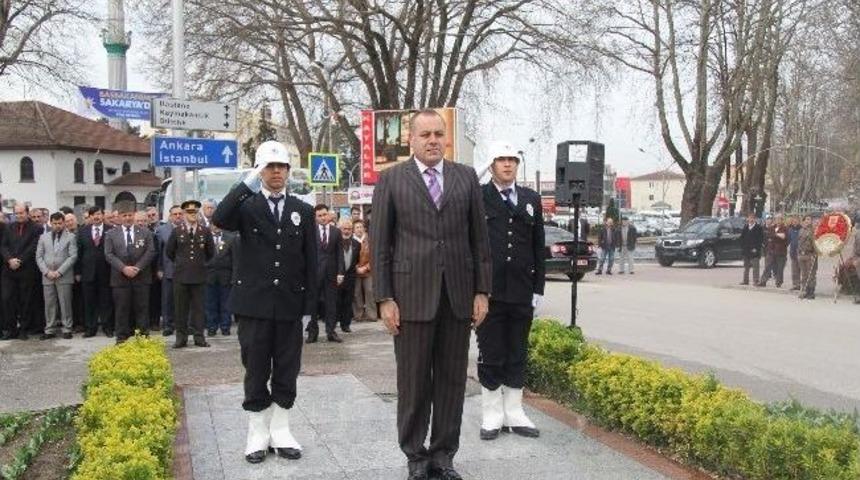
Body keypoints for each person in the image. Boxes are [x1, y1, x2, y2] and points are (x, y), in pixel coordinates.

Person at [371, 109, 491, 480]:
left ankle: (443, 455)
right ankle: (415, 456)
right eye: (425, 135)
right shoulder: (391, 180)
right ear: (412, 140)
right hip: (410, 299)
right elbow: (380, 245)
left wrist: (482, 291)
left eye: (439, 133)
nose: (433, 140)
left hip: (457, 297)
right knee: (413, 382)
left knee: (452, 381)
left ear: (446, 138)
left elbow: (479, 242)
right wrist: (384, 297)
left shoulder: (466, 177)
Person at [212, 140, 316, 464]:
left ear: (288, 171)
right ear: (260, 170)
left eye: (281, 167)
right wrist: (246, 181)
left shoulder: (303, 210)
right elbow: (219, 217)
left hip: (289, 306)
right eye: (269, 167)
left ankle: (281, 430)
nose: (275, 172)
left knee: (287, 369)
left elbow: (311, 264)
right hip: (253, 306)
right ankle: (257, 432)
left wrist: (309, 311)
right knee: (256, 369)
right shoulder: (246, 207)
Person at [477, 141, 544, 442]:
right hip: (488, 291)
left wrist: (538, 287)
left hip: (521, 289)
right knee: (491, 353)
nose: (507, 165)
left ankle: (515, 411)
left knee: (517, 351)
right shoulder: (479, 197)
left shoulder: (531, 199)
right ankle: (492, 414)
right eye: (501, 159)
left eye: (512, 160)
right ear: (491, 164)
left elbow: (537, 245)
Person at [104, 201, 156, 343]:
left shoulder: (145, 232)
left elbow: (150, 251)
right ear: (119, 217)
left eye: (130, 215)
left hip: (141, 277)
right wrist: (123, 268)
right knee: (122, 309)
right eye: (124, 215)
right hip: (120, 279)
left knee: (142, 309)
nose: (128, 218)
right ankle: (121, 338)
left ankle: (143, 337)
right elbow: (108, 254)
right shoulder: (111, 234)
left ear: (134, 215)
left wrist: (138, 267)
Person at [166, 200, 215, 348]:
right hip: (181, 276)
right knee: (181, 309)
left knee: (199, 309)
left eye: (194, 212)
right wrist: (182, 263)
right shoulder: (177, 231)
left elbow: (211, 252)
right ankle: (181, 338)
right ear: (184, 214)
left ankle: (199, 337)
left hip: (199, 276)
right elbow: (170, 252)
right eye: (189, 212)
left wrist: (200, 264)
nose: (192, 215)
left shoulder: (205, 231)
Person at [1, 204, 41, 340]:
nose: (19, 215)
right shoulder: (8, 227)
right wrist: (10, 259)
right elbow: (3, 245)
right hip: (9, 270)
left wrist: (20, 260)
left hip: (26, 269)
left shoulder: (36, 228)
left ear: (27, 213)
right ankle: (10, 330)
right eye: (16, 213)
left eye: (21, 213)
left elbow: (33, 247)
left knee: (25, 300)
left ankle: (23, 330)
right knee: (7, 299)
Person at [35, 212, 77, 339]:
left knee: (65, 303)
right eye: (55, 223)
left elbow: (73, 256)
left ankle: (67, 328)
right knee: (49, 304)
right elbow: (39, 256)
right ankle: (49, 329)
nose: (57, 226)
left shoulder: (71, 237)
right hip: (47, 276)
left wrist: (59, 272)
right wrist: (47, 272)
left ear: (64, 223)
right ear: (50, 223)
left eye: (60, 223)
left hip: (64, 275)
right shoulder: (43, 237)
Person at [306, 204, 342, 343]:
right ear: (315, 218)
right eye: (319, 216)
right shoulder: (310, 232)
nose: (323, 218)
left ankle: (331, 331)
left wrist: (340, 272)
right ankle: (312, 332)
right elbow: (307, 253)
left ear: (329, 215)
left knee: (331, 304)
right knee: (313, 304)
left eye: (324, 214)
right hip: (314, 274)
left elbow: (339, 254)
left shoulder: (336, 232)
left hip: (331, 274)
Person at [76, 206, 114, 337]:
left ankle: (107, 327)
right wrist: (78, 272)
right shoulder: (82, 231)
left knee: (106, 301)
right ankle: (90, 328)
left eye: (98, 214)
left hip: (106, 271)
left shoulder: (110, 230)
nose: (96, 217)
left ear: (102, 215)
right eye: (93, 215)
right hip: (88, 273)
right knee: (89, 302)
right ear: (90, 217)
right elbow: (78, 253)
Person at [205, 224, 238, 336]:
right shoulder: (205, 237)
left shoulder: (230, 238)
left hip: (226, 276)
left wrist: (234, 277)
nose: (216, 227)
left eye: (218, 224)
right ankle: (211, 327)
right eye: (214, 224)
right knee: (210, 304)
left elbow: (235, 259)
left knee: (226, 303)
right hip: (209, 276)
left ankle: (225, 327)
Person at [156, 206, 184, 336]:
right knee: (168, 299)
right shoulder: (162, 230)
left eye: (180, 214)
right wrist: (159, 268)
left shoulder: (188, 228)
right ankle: (168, 325)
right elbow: (158, 252)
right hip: (168, 270)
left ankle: (182, 325)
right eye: (175, 214)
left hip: (185, 271)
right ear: (170, 216)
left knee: (183, 300)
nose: (178, 216)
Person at [335, 218, 361, 333]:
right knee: (337, 300)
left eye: (349, 229)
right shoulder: (335, 242)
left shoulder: (357, 244)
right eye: (344, 229)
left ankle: (346, 324)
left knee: (348, 301)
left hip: (350, 277)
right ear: (340, 229)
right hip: (337, 276)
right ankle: (334, 322)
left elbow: (357, 261)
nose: (347, 231)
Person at [64, 213, 84, 332]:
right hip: (65, 271)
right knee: (68, 299)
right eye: (67, 221)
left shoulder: (81, 233)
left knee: (79, 299)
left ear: (76, 220)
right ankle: (70, 322)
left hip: (78, 271)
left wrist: (78, 272)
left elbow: (80, 255)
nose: (69, 223)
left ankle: (80, 322)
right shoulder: (63, 235)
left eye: (71, 220)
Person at [352, 219, 375, 322]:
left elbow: (374, 256)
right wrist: (356, 268)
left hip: (368, 271)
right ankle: (358, 315)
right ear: (353, 230)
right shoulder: (350, 240)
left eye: (361, 227)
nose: (359, 229)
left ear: (364, 228)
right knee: (356, 293)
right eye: (357, 227)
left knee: (370, 291)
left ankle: (372, 315)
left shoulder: (370, 240)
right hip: (355, 272)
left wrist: (366, 268)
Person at [758, 215, 788, 287]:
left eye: (779, 219)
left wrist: (774, 235)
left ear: (782, 220)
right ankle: (763, 281)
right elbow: (769, 236)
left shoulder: (785, 228)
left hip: (781, 251)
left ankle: (778, 282)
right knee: (767, 266)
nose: (778, 221)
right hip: (771, 250)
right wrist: (777, 235)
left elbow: (784, 237)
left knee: (779, 268)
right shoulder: (772, 228)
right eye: (776, 219)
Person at [739, 212, 764, 285]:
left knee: (755, 267)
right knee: (746, 267)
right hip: (746, 251)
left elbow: (760, 239)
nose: (751, 219)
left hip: (755, 251)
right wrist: (743, 247)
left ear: (755, 219)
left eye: (752, 218)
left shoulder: (758, 228)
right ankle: (745, 280)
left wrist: (756, 248)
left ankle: (756, 281)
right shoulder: (746, 227)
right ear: (748, 219)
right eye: (750, 218)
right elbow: (741, 238)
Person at [797, 216, 817, 300]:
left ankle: (811, 291)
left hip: (810, 254)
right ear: (803, 221)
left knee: (811, 274)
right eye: (807, 219)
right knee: (804, 274)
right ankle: (804, 290)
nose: (808, 221)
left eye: (810, 219)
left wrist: (815, 254)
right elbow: (799, 242)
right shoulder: (801, 230)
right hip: (801, 254)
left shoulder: (814, 231)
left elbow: (816, 243)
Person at [787, 216, 802, 290]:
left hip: (801, 253)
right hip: (793, 252)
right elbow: (788, 241)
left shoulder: (802, 229)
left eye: (796, 221)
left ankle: (802, 284)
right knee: (794, 270)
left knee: (802, 270)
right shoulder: (790, 230)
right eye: (793, 221)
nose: (795, 222)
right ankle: (795, 284)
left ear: (799, 221)